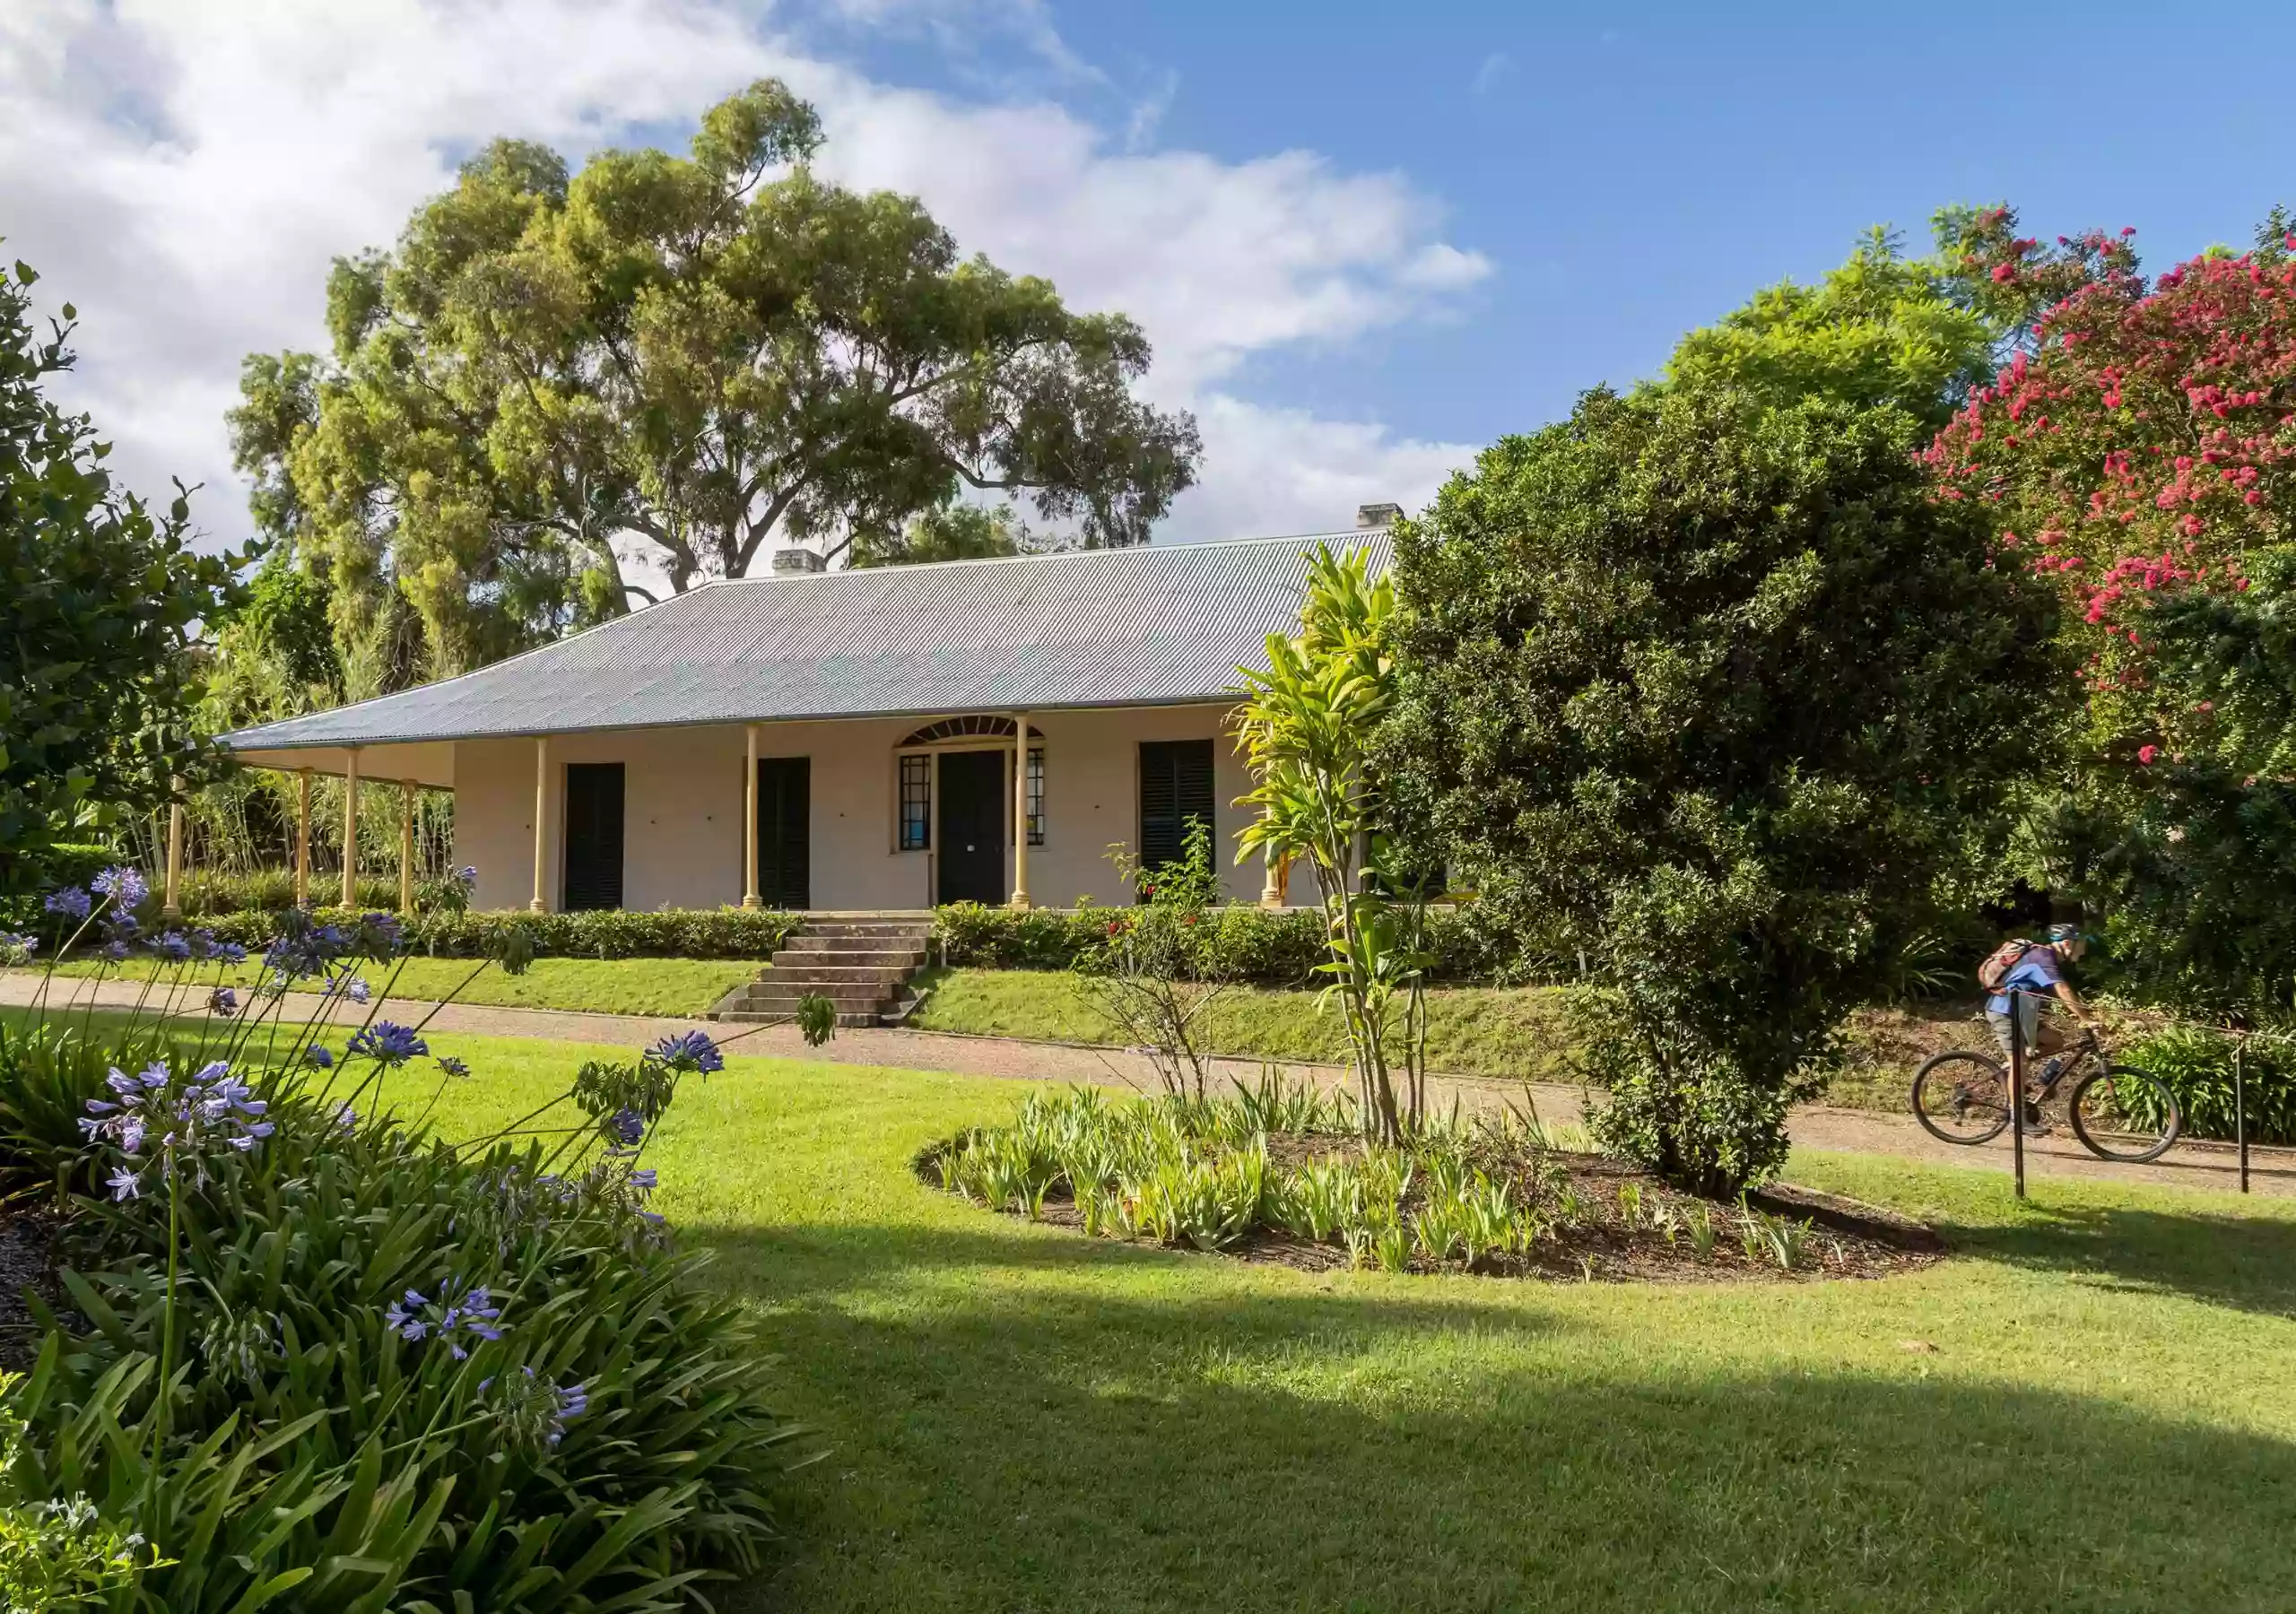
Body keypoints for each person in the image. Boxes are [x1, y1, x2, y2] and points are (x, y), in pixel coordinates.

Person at [1986, 923, 2095, 1129]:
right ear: (2067, 943)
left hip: (2022, 1014)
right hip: (2004, 1012)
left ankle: (2019, 1074)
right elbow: (2062, 989)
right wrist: (2085, 1018)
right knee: (2021, 1063)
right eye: (2081, 945)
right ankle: (2017, 1119)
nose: (2083, 950)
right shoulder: (2042, 957)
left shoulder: (2048, 958)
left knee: (2056, 1041)